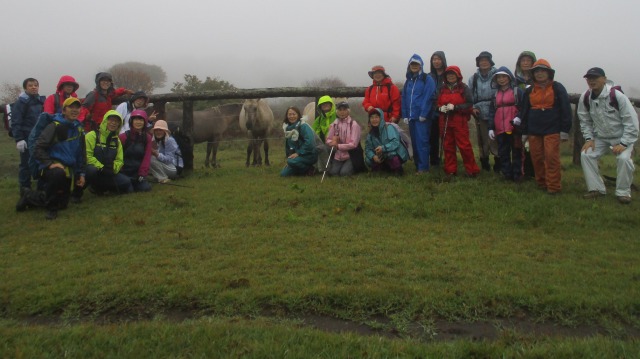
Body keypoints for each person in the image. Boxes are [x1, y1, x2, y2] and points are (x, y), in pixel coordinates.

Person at [15, 97, 85, 220]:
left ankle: (28, 196)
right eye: (71, 108)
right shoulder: (54, 126)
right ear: (64, 111)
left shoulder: (78, 128)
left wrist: (81, 173)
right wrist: (49, 164)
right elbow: (38, 148)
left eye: (77, 108)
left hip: (67, 169)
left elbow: (81, 153)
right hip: (51, 169)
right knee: (58, 174)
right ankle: (51, 209)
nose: (74, 110)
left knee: (62, 204)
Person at [578, 67, 639, 204]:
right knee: (586, 154)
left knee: (624, 159)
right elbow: (584, 120)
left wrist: (623, 143)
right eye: (589, 78)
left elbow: (632, 122)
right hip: (600, 137)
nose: (592, 81)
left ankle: (623, 192)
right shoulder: (586, 97)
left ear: (604, 79)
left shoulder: (617, 96)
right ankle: (596, 189)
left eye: (595, 78)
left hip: (621, 136)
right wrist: (589, 138)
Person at [520, 59, 572, 195]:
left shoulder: (557, 87)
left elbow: (566, 109)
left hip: (552, 129)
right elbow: (524, 111)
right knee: (536, 158)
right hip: (533, 129)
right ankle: (542, 183)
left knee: (551, 158)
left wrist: (565, 130)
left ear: (549, 73)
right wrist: (524, 131)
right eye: (536, 71)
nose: (540, 74)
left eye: (543, 71)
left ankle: (553, 187)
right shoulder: (530, 90)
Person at [437, 66, 480, 179]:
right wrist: (439, 108)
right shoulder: (441, 89)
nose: (450, 76)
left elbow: (469, 104)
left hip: (459, 121)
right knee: (448, 146)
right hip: (445, 121)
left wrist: (455, 107)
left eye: (453, 74)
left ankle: (471, 170)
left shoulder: (463, 88)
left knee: (464, 146)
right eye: (448, 74)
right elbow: (435, 103)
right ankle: (450, 170)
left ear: (458, 75)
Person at [488, 67, 525, 182]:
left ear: (509, 78)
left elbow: (523, 107)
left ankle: (517, 175)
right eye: (499, 77)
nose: (501, 79)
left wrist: (519, 117)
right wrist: (490, 128)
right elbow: (492, 112)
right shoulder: (495, 94)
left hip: (514, 127)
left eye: (504, 76)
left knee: (516, 151)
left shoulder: (517, 91)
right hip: (500, 128)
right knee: (503, 152)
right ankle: (507, 174)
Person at [401, 54, 435, 174]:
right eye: (412, 64)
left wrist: (424, 113)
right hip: (411, 117)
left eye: (416, 64)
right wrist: (405, 114)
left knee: (422, 142)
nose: (414, 66)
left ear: (421, 66)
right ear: (409, 66)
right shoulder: (408, 81)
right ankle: (418, 165)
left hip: (422, 118)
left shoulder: (427, 79)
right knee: (414, 142)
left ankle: (423, 168)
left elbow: (429, 96)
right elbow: (404, 97)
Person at [85, 110, 133, 194]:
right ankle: (91, 186)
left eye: (117, 121)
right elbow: (87, 156)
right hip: (95, 170)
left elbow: (120, 160)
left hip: (109, 172)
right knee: (91, 171)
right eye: (111, 120)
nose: (113, 123)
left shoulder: (117, 141)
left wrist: (113, 168)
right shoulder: (91, 135)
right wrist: (101, 167)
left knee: (126, 182)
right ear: (105, 121)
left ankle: (103, 188)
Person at [12, 77, 45, 192]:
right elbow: (16, 122)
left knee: (42, 160)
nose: (33, 87)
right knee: (25, 163)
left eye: (35, 85)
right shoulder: (21, 103)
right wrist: (19, 139)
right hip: (26, 137)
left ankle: (42, 186)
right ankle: (25, 187)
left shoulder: (41, 101)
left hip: (39, 137)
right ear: (25, 88)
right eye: (30, 85)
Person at [469, 51, 499, 172]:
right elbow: (469, 96)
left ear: (490, 62)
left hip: (496, 110)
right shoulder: (474, 78)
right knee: (482, 139)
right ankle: (485, 163)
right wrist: (473, 108)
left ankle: (499, 163)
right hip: (479, 111)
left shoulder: (498, 75)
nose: (484, 62)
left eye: (486, 60)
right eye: (481, 61)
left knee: (496, 138)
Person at [365, 108, 408, 175]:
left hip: (394, 153)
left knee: (391, 154)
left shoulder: (389, 127)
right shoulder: (370, 134)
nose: (374, 120)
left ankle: (398, 169)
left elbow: (395, 143)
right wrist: (374, 156)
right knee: (368, 160)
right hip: (382, 156)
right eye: (372, 117)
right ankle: (384, 167)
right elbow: (368, 149)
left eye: (376, 117)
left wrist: (383, 148)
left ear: (381, 118)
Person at [118, 109, 153, 192]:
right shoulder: (123, 137)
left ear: (145, 122)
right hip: (123, 172)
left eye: (141, 120)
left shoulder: (147, 138)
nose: (138, 122)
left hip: (137, 173)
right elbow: (117, 156)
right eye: (136, 119)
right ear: (131, 121)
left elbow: (147, 158)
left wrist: (142, 174)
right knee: (128, 189)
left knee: (145, 188)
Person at [280, 106, 318, 177]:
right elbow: (288, 146)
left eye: (294, 114)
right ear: (287, 116)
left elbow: (310, 143)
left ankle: (310, 169)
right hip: (296, 157)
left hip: (309, 154)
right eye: (289, 114)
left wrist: (298, 153)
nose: (292, 116)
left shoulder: (303, 126)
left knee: (291, 161)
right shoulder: (287, 129)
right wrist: (289, 156)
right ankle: (302, 170)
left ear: (298, 115)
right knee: (283, 174)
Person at [326, 101, 362, 176]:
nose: (342, 112)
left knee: (344, 173)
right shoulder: (334, 124)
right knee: (333, 173)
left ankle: (354, 167)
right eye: (340, 110)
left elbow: (353, 144)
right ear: (337, 112)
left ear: (348, 111)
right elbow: (328, 139)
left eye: (344, 110)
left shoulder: (354, 124)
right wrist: (332, 142)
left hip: (351, 155)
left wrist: (338, 146)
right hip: (338, 155)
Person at [428, 51, 448, 167]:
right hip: (432, 110)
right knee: (433, 136)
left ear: (443, 60)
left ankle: (449, 159)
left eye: (438, 59)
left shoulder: (449, 74)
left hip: (446, 109)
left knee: (447, 136)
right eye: (434, 59)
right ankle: (434, 160)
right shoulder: (429, 76)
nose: (436, 61)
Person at [312, 95, 336, 172]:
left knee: (321, 149)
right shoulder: (318, 120)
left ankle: (326, 169)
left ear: (331, 105)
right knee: (319, 148)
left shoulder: (337, 116)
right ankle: (323, 168)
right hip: (323, 144)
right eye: (323, 104)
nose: (325, 105)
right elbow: (313, 132)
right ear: (320, 107)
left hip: (336, 144)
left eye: (327, 103)